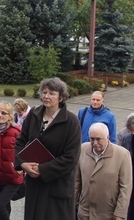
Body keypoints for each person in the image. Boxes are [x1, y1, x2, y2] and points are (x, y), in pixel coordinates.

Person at [14, 77, 81, 220]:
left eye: (51, 93)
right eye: (44, 92)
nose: (46, 96)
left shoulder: (71, 121)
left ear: (61, 97)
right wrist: (22, 164)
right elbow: (20, 141)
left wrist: (42, 169)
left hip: (57, 186)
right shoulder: (34, 114)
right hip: (34, 184)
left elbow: (71, 157)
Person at [75, 122, 132, 220]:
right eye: (92, 139)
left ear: (107, 137)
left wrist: (120, 213)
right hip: (85, 213)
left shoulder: (122, 155)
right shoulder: (82, 150)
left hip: (108, 213)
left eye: (98, 139)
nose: (95, 143)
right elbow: (76, 181)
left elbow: (125, 187)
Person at [0, 101, 23, 219]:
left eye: (4, 113)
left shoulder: (16, 132)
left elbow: (25, 150)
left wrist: (21, 168)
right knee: (4, 208)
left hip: (13, 178)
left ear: (10, 116)